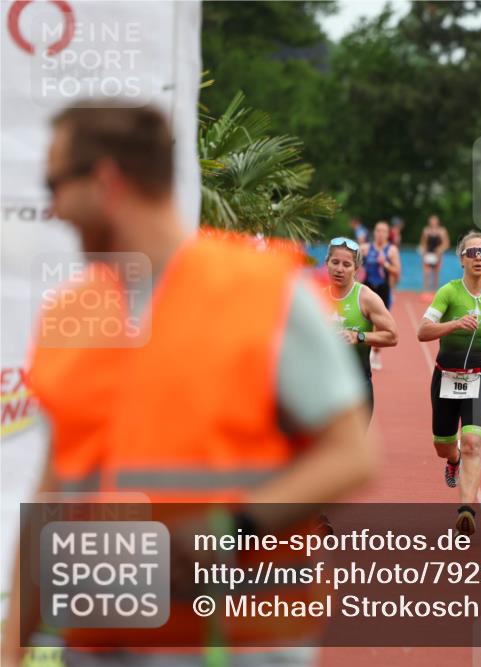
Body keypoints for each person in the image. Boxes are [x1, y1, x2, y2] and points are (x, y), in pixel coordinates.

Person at [2, 102, 375, 667]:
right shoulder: (67, 315)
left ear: (106, 179)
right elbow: (54, 497)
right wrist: (12, 648)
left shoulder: (265, 294)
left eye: (56, 183)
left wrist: (231, 528)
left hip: (236, 646)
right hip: (99, 647)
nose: (51, 208)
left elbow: (353, 455)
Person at [416, 232, 481, 535]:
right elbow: (423, 331)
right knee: (443, 446)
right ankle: (453, 460)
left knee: (474, 442)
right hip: (446, 377)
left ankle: (466, 509)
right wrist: (455, 324)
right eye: (472, 252)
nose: (478, 257)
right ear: (461, 258)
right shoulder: (448, 293)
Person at [325, 236, 399, 417]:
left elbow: (392, 335)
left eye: (346, 264)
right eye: (335, 262)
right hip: (322, 387)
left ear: (356, 269)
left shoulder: (366, 297)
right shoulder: (315, 295)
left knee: (348, 445)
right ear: (327, 263)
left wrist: (360, 337)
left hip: (357, 387)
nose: (339, 269)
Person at [360, 220, 401, 370]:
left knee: (380, 324)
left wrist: (385, 264)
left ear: (387, 234)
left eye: (383, 231)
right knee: (364, 321)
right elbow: (354, 265)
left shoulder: (391, 251)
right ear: (374, 232)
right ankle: (366, 351)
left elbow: (397, 272)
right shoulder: (365, 248)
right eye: (378, 230)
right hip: (367, 288)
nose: (380, 233)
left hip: (383, 289)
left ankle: (376, 352)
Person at [418, 214, 450, 295]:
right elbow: (423, 243)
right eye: (431, 221)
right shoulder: (426, 230)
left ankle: (435, 291)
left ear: (437, 222)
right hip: (428, 254)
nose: (433, 223)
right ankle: (425, 291)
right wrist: (423, 252)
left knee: (436, 273)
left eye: (434, 221)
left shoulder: (442, 231)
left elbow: (446, 243)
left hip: (437, 255)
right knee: (426, 273)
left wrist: (440, 249)